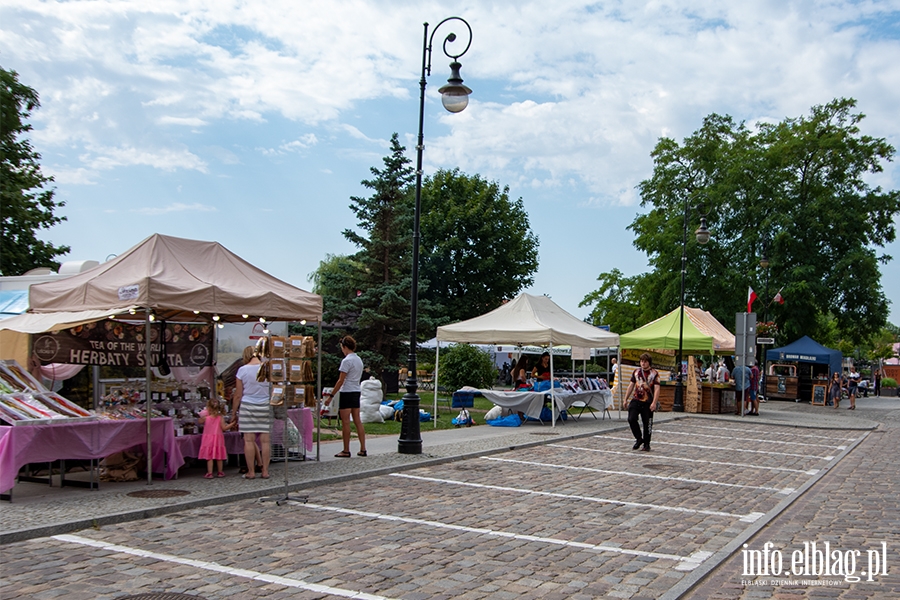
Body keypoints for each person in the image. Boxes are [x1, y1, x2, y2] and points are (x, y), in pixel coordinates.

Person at [323, 335, 368, 458]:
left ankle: (346, 449)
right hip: (356, 391)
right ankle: (363, 448)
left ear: (345, 347)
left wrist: (331, 396)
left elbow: (340, 380)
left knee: (346, 422)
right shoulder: (358, 359)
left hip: (347, 391)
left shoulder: (346, 361)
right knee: (357, 420)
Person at [233, 345, 271, 479]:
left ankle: (251, 472)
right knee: (265, 441)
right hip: (266, 405)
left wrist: (233, 413)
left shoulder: (242, 370)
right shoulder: (267, 368)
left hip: (248, 405)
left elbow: (238, 394)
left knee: (249, 440)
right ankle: (265, 471)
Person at [624, 353, 660, 451]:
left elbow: (657, 389)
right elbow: (631, 385)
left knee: (647, 423)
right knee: (631, 418)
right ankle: (639, 438)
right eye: (641, 361)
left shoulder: (654, 373)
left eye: (645, 361)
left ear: (649, 362)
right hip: (636, 399)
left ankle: (646, 444)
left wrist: (654, 403)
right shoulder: (636, 372)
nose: (643, 363)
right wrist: (625, 399)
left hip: (648, 401)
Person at [198, 398, 235, 478]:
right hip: (218, 439)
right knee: (219, 456)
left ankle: (210, 473)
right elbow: (224, 428)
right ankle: (220, 472)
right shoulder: (220, 417)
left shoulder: (206, 418)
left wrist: (204, 413)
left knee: (209, 457)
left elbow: (199, 421)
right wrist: (232, 424)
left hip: (208, 438)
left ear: (208, 408)